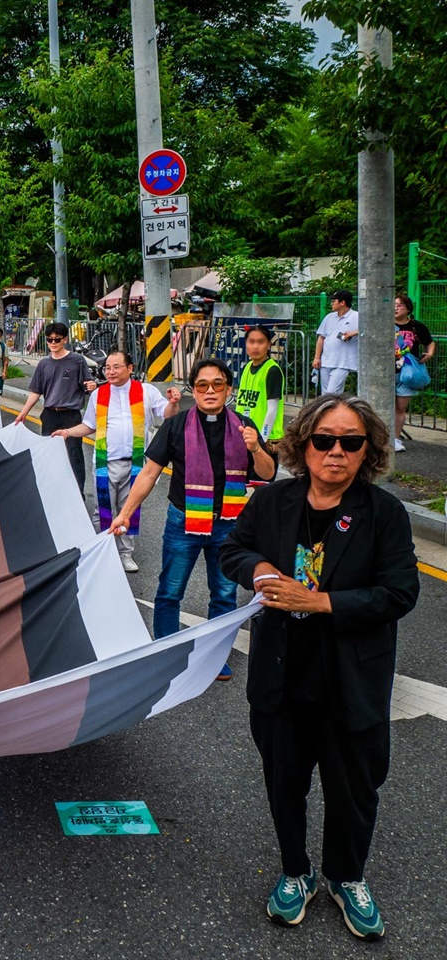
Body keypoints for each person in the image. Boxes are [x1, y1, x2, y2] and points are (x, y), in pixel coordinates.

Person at [220, 395, 418, 940]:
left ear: (367, 451)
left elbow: (401, 593)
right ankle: (296, 871)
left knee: (355, 789)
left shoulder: (385, 514)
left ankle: (346, 876)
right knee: (285, 783)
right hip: (281, 677)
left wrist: (322, 603)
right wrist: (258, 566)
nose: (336, 451)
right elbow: (232, 549)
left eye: (351, 442)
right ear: (303, 444)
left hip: (352, 682)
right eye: (324, 440)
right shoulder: (273, 502)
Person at [110, 358, 277, 678]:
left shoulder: (244, 425)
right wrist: (124, 514)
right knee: (170, 590)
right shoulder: (176, 426)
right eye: (203, 385)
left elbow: (267, 474)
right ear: (194, 391)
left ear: (229, 390)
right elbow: (148, 473)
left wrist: (256, 449)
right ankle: (166, 654)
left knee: (225, 594)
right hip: (182, 522)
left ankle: (213, 659)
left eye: (218, 384)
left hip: (229, 524)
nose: (210, 390)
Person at [52, 351, 180, 572]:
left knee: (128, 509)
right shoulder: (99, 394)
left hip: (137, 463)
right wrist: (68, 432)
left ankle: (125, 554)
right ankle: (102, 550)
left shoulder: (146, 391)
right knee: (101, 509)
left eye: (116, 367)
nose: (110, 371)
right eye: (107, 367)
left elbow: (167, 415)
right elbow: (90, 426)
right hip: (105, 462)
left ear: (130, 368)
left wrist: (174, 403)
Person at [11, 322, 97, 495]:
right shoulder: (44, 364)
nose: (53, 343)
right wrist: (23, 413)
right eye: (49, 340)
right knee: (49, 454)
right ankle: (51, 492)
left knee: (74, 456)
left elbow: (87, 384)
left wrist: (91, 386)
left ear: (65, 340)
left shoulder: (77, 361)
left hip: (71, 416)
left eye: (57, 339)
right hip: (50, 415)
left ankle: (77, 494)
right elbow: (36, 391)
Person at [393, 293, 434, 452]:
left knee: (400, 408)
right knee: (385, 406)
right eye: (394, 305)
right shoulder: (384, 324)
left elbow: (430, 343)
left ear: (408, 308)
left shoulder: (416, 326)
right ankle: (382, 437)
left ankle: (396, 439)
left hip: (408, 372)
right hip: (386, 371)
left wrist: (429, 354)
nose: (396, 308)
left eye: (400, 305)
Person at [235, 325, 286, 447]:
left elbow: (272, 409)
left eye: (261, 342)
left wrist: (262, 438)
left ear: (268, 345)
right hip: (247, 434)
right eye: (251, 342)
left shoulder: (272, 370)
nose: (255, 346)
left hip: (265, 438)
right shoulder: (247, 367)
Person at [312, 290, 359, 395]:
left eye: (334, 301)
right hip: (326, 361)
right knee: (326, 394)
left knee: (331, 393)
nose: (331, 303)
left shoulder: (356, 316)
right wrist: (317, 357)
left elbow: (370, 329)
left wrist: (353, 333)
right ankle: (330, 411)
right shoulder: (329, 317)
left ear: (342, 302)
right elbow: (321, 337)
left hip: (343, 362)